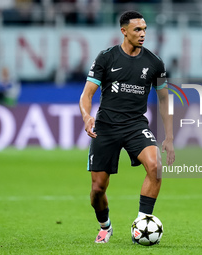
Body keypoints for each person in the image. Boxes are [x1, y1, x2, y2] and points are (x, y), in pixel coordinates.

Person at [79, 10, 175, 244]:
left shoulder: (155, 63)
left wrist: (169, 136)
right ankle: (105, 226)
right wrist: (86, 116)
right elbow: (87, 94)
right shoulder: (106, 58)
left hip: (135, 126)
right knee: (98, 189)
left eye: (144, 29)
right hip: (106, 126)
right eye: (137, 30)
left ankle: (141, 223)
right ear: (124, 31)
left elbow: (164, 99)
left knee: (155, 166)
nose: (143, 34)